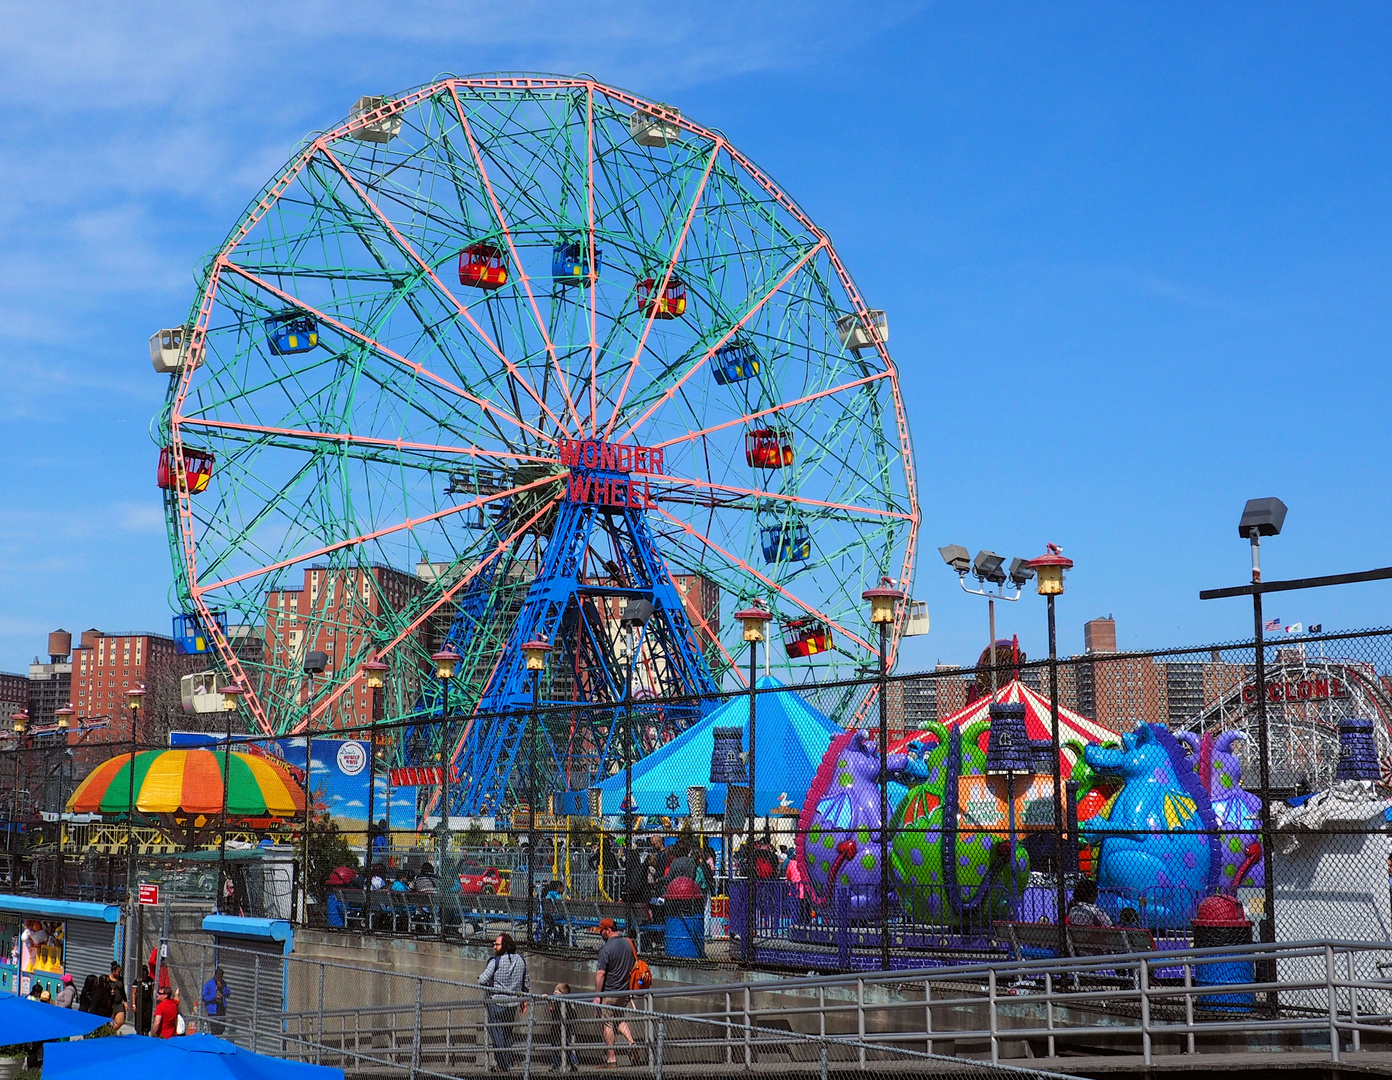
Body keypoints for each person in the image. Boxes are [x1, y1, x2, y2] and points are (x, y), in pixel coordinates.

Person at [479, 933, 529, 1072]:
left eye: (497, 944)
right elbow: (526, 982)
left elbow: (482, 979)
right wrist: (523, 999)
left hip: (497, 1001)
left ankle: (502, 1065)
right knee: (507, 1033)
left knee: (496, 1032)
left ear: (504, 946)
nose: (494, 946)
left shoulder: (496, 961)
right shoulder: (521, 960)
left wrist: (490, 982)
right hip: (513, 1002)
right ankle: (506, 1063)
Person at [593, 918, 639, 1067]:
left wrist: (597, 996)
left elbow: (600, 974)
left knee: (607, 1023)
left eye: (601, 931)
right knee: (619, 1018)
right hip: (624, 991)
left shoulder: (606, 949)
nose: (601, 934)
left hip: (610, 992)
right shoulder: (628, 943)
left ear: (607, 930)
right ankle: (632, 1043)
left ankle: (611, 1059)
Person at [544, 983, 577, 1072]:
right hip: (555, 1028)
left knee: (566, 1045)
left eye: (556, 992)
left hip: (565, 1029)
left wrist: (573, 1028)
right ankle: (555, 1065)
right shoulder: (556, 1002)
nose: (554, 993)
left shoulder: (567, 1004)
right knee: (554, 1047)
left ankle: (573, 1063)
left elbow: (573, 1016)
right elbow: (552, 1008)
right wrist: (548, 1000)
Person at [201, 967, 230, 1036]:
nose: (219, 978)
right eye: (218, 976)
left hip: (221, 1008)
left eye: (221, 976)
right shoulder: (209, 984)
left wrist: (222, 988)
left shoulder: (223, 984)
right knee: (214, 1029)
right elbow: (204, 997)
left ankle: (217, 1039)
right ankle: (213, 1041)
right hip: (213, 1010)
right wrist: (214, 997)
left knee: (221, 1028)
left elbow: (228, 993)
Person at [107, 963, 128, 1031]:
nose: (119, 974)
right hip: (110, 1003)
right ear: (113, 971)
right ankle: (107, 1033)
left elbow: (122, 991)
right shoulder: (107, 979)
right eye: (118, 972)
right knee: (110, 1022)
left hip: (118, 1003)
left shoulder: (120, 979)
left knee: (121, 1021)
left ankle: (111, 1031)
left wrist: (125, 1001)